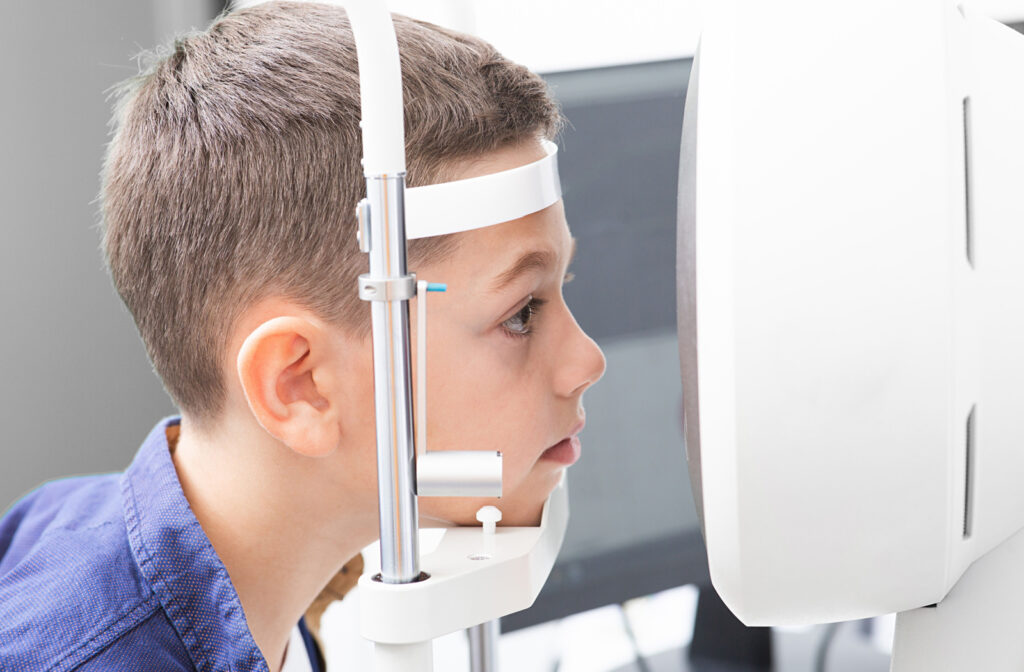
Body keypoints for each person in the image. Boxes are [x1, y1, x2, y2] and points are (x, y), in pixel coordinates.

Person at [0, 2, 605, 671]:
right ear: (301, 385)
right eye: (520, 314)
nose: (586, 361)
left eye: (562, 288)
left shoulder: (261, 586)